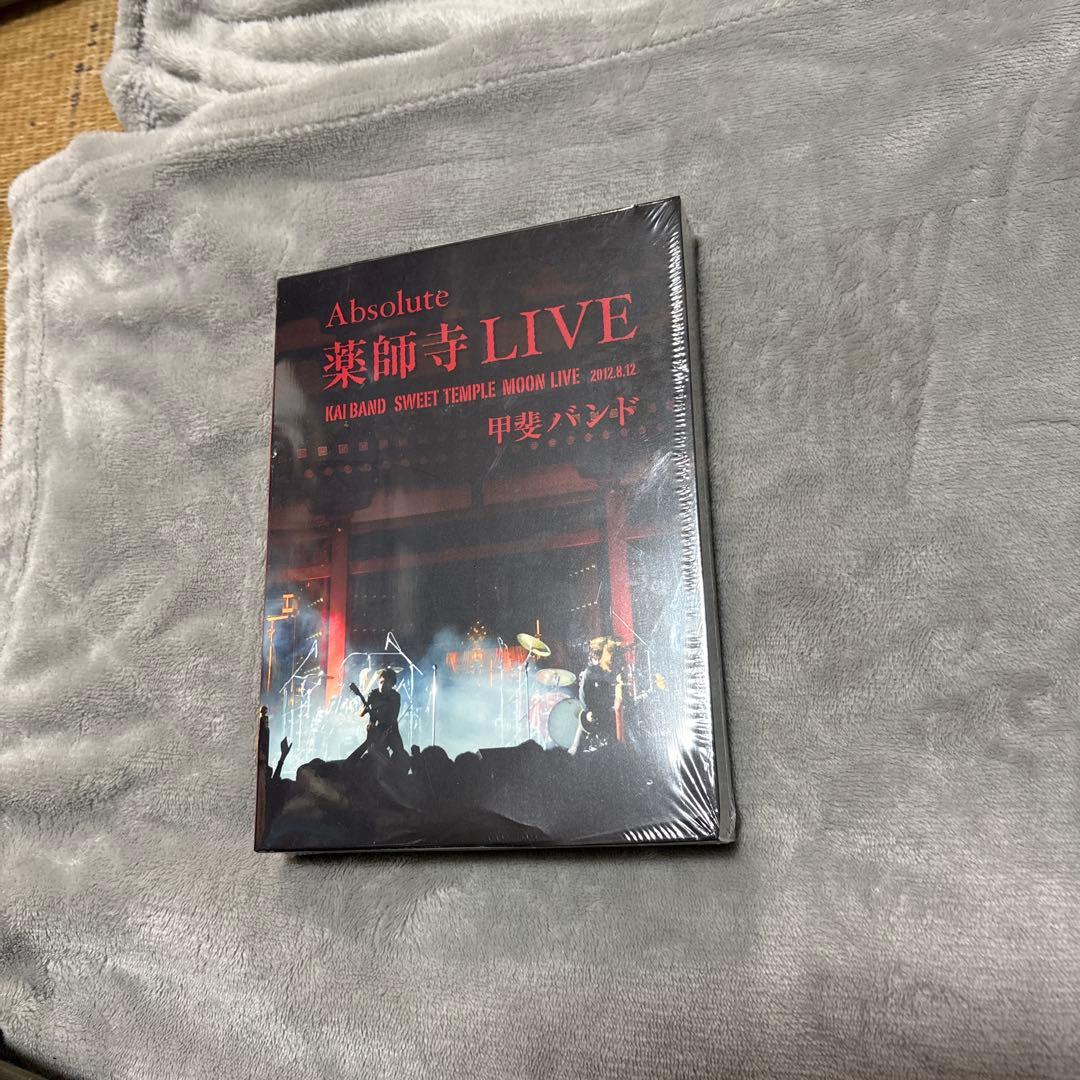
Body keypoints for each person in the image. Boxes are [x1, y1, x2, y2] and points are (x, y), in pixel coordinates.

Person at [571, 636, 625, 754]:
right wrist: (588, 711)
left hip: (612, 715)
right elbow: (583, 695)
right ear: (600, 656)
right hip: (597, 716)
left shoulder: (616, 669)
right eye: (610, 652)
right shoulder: (591, 672)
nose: (613, 656)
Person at [350, 667, 407, 768]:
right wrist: (366, 709)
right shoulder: (373, 694)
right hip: (376, 729)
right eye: (381, 682)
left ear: (392, 684)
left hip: (391, 729)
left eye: (386, 683)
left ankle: (397, 772)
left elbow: (393, 716)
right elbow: (361, 713)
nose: (382, 685)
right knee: (373, 756)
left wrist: (377, 707)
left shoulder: (395, 696)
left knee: (400, 754)